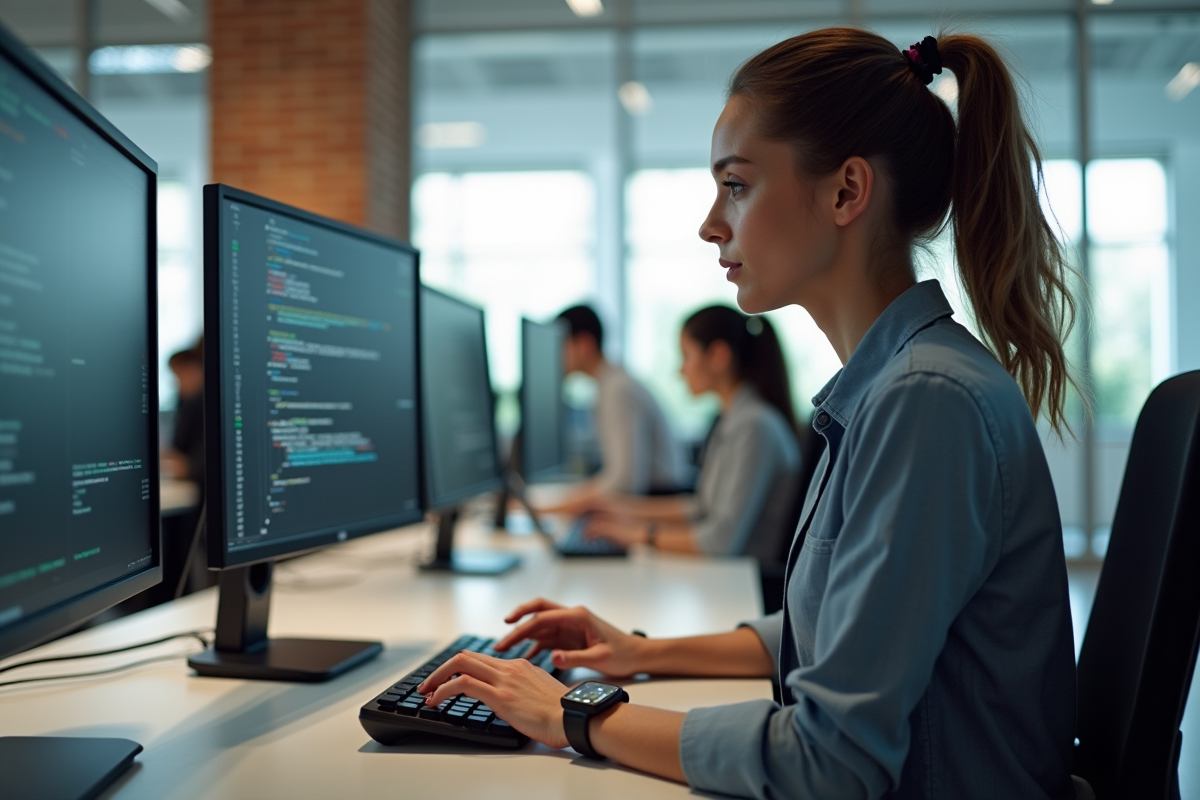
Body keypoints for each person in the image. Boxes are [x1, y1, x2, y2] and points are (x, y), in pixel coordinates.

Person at [418, 29, 1078, 800]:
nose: (710, 223)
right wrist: (638, 650)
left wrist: (575, 713)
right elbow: (838, 625)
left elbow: (832, 760)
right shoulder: (890, 387)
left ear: (845, 192)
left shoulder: (924, 401)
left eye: (735, 185)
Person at [583, 305, 801, 564]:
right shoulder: (732, 420)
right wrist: (627, 511)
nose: (681, 370)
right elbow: (701, 507)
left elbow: (718, 542)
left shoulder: (754, 426)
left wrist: (635, 535)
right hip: (728, 575)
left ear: (719, 356)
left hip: (745, 586)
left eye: (686, 355)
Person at [547, 304, 685, 511]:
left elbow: (623, 482)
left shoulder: (617, 390)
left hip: (657, 501)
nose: (554, 356)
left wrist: (554, 507)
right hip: (653, 497)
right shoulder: (610, 383)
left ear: (584, 344)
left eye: (560, 345)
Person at [162, 340, 204, 484]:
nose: (177, 383)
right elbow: (177, 450)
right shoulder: (186, 404)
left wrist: (188, 467)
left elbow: (197, 464)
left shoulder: (206, 406)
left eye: (180, 375)